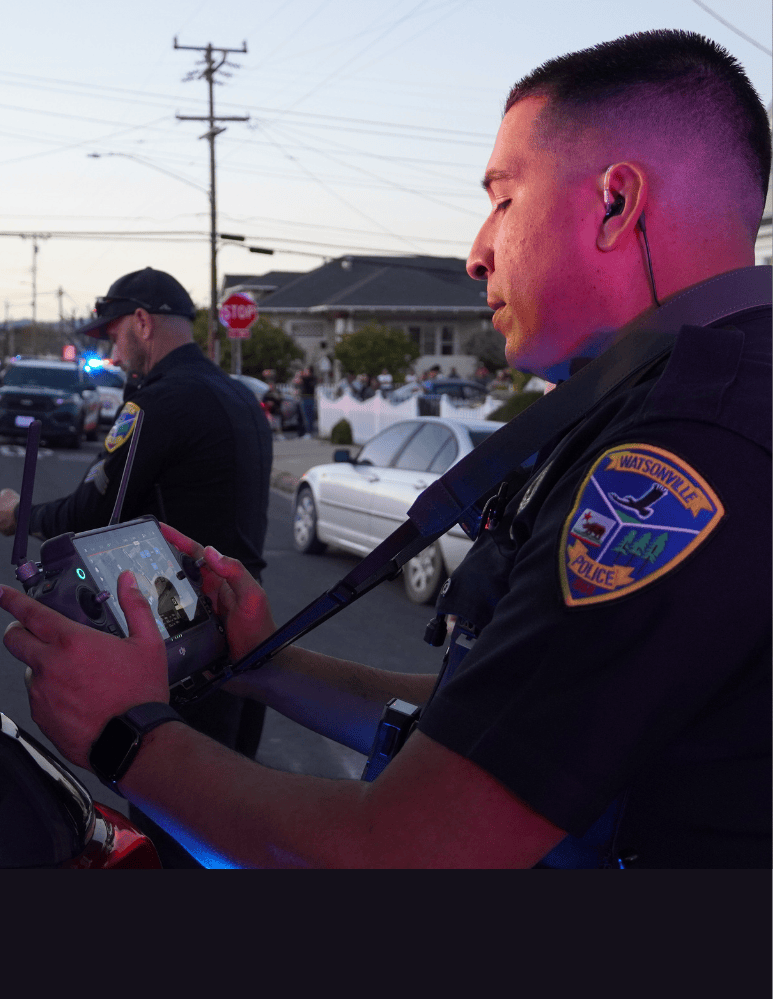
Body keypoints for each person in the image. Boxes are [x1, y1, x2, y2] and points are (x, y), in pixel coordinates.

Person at [1, 31, 770, 868]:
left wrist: (125, 737)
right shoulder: (676, 399)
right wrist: (259, 662)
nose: (477, 251)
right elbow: (488, 729)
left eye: (503, 199)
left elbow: (411, 851)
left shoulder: (692, 444)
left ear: (616, 205)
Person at [0, 266, 274, 868]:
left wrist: (20, 513)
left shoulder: (157, 403)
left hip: (180, 644)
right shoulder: (241, 398)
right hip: (245, 631)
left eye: (115, 333)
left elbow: (94, 508)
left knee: (172, 822)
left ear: (143, 323)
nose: (112, 348)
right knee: (228, 825)